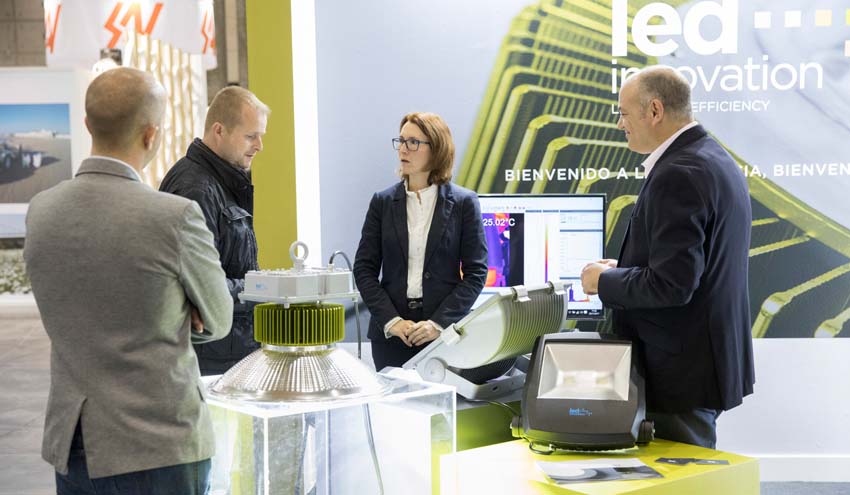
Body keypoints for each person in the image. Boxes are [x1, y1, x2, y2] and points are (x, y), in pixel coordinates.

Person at [24, 68, 233, 494]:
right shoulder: (173, 217)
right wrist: (179, 312)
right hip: (159, 445)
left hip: (73, 443)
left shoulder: (41, 210)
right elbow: (219, 319)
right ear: (151, 135)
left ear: (87, 125)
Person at [580, 66, 755, 449]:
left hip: (680, 371)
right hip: (699, 361)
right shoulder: (710, 157)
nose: (620, 124)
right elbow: (689, 267)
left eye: (624, 113)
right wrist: (625, 271)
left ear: (655, 110)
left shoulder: (679, 174)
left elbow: (672, 284)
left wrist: (602, 281)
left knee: (683, 473)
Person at [353, 112, 488, 370]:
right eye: (401, 141)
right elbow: (364, 269)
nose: (403, 149)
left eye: (413, 142)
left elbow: (476, 273)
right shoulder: (382, 202)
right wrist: (392, 321)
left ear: (436, 149)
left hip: (442, 337)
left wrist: (438, 324)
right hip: (392, 338)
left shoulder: (464, 203)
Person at [159, 86, 270, 375]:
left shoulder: (221, 182)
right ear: (219, 130)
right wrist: (264, 286)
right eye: (251, 136)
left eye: (260, 136)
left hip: (227, 350)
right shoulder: (196, 189)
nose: (259, 145)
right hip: (210, 360)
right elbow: (197, 285)